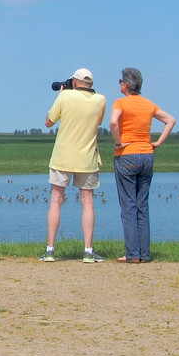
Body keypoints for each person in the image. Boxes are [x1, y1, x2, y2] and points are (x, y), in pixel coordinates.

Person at [110, 67, 176, 263]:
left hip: (127, 155)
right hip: (147, 155)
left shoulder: (120, 103)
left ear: (127, 85)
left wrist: (118, 142)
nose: (120, 84)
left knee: (128, 205)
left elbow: (113, 122)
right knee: (142, 205)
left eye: (121, 81)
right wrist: (158, 142)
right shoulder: (148, 104)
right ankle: (144, 254)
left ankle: (132, 254)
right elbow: (170, 120)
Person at [42, 68, 107, 263]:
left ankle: (50, 250)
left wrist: (62, 95)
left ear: (75, 82)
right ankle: (88, 251)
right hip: (87, 157)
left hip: (63, 156)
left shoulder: (65, 97)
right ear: (91, 84)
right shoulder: (100, 100)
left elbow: (48, 122)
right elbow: (98, 121)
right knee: (87, 204)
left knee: (56, 201)